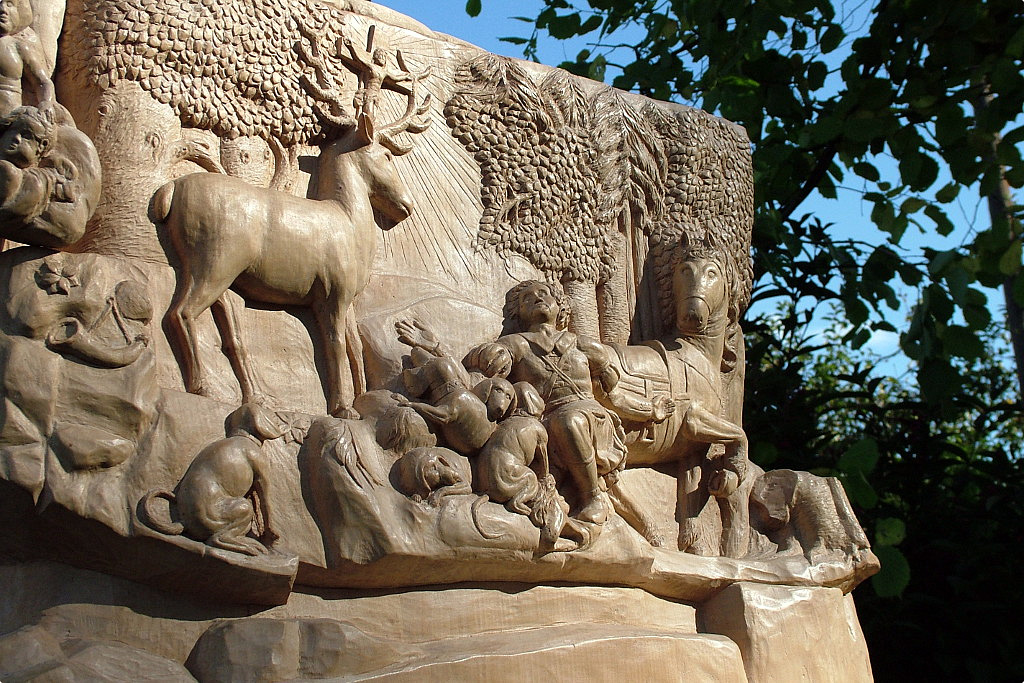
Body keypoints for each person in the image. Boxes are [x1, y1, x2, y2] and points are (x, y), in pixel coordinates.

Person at [467, 280, 673, 525]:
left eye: (544, 293)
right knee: (563, 422)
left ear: (560, 305)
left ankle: (592, 498)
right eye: (527, 299)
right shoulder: (517, 344)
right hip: (549, 421)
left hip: (592, 418)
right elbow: (485, 371)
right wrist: (487, 360)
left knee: (570, 421)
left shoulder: (585, 346)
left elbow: (612, 397)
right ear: (518, 313)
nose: (537, 298)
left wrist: (650, 410)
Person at [0, 0, 54, 115]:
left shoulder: (18, 47)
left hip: (10, 119)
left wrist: (46, 102)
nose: (3, 9)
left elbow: (43, 82)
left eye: (9, 4)